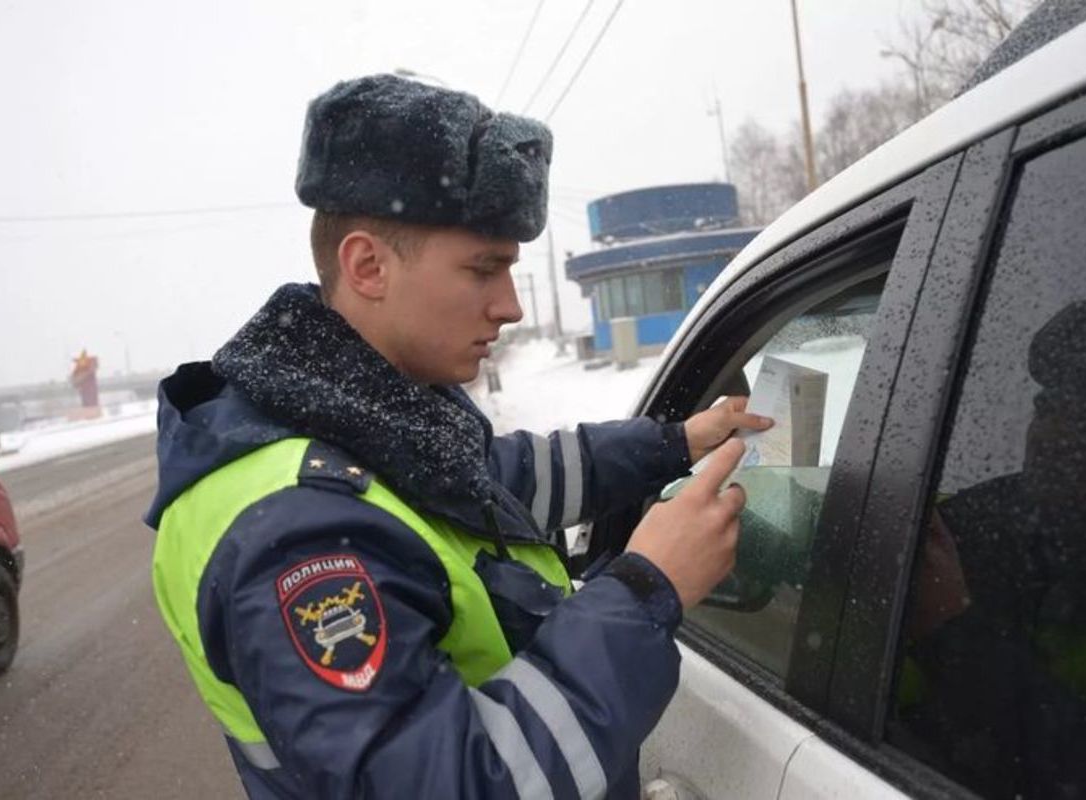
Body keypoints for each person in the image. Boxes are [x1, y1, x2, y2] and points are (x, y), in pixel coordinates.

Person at [145, 73, 771, 799]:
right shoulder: (300, 536)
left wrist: (674, 444)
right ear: (367, 266)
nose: (508, 306)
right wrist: (644, 588)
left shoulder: (365, 425)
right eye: (484, 269)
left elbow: (502, 480)